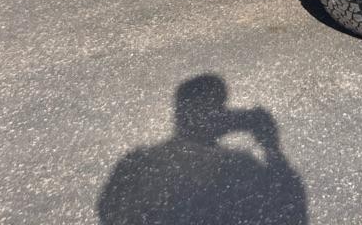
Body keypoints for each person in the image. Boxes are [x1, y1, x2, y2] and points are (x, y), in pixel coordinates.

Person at [98, 74, 308, 224]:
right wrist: (271, 147)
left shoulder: (136, 162)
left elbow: (107, 208)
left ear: (180, 113)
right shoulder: (239, 167)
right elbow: (290, 210)